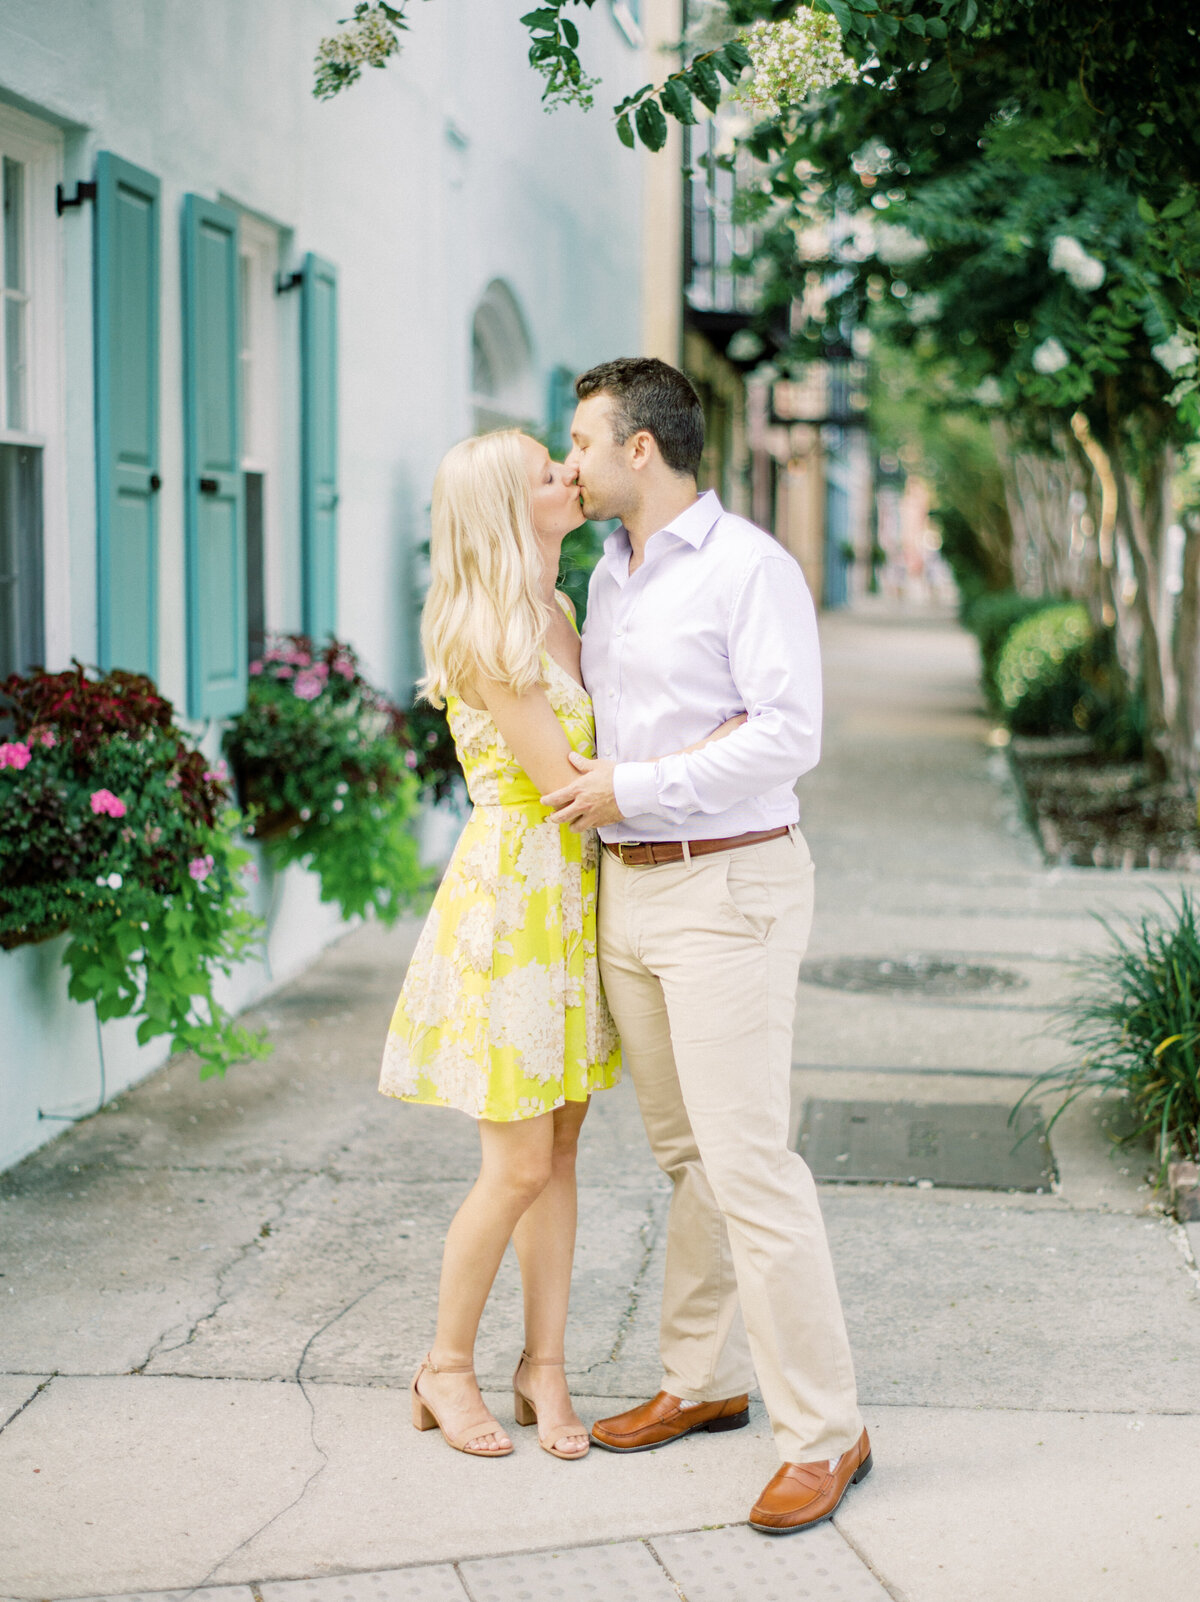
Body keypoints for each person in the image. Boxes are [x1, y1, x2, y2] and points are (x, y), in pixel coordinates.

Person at [542, 358, 871, 1533]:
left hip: (729, 889)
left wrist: (639, 783)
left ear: (642, 448)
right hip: (630, 894)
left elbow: (786, 736)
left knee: (751, 1169)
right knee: (689, 1160)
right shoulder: (608, 570)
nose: (562, 460)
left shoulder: (750, 568)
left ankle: (826, 1432)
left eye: (579, 439)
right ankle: (703, 1381)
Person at [380, 428, 740, 1463]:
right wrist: (710, 752)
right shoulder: (488, 628)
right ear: (508, 507)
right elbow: (567, 782)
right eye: (547, 472)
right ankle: (444, 1366)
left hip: (571, 901)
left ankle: (544, 1365)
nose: (567, 476)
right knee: (517, 1162)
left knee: (564, 1147)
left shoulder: (559, 608)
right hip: (515, 908)